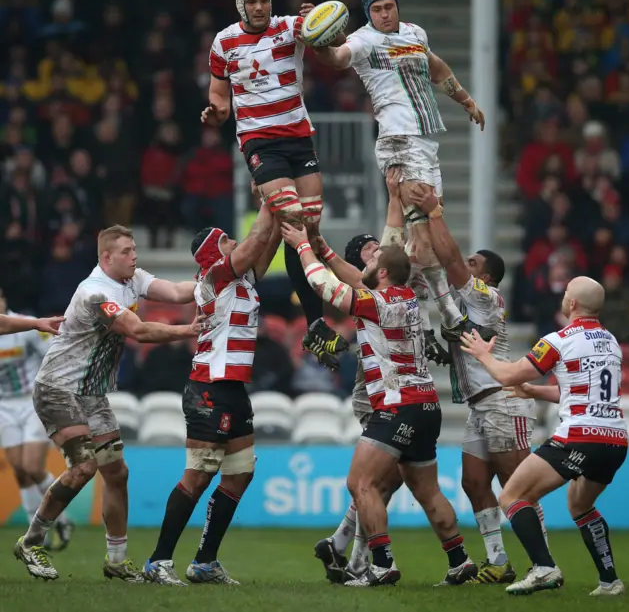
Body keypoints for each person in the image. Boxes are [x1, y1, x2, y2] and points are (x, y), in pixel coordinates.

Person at [281, 222, 477, 587]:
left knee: (361, 483)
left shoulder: (377, 303)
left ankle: (382, 564)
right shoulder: (406, 299)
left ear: (382, 273)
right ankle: (459, 560)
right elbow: (356, 277)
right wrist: (324, 250)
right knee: (427, 491)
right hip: (426, 406)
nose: (366, 267)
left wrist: (302, 248)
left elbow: (327, 288)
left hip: (396, 406)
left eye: (372, 264)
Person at [14, 225, 203, 582]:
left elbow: (179, 291)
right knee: (84, 468)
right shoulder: (95, 294)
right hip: (58, 387)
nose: (135, 256)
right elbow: (138, 330)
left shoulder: (132, 278)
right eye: (128, 251)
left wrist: (217, 281)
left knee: (116, 472)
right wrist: (188, 331)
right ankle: (32, 540)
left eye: (134, 249)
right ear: (107, 257)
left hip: (90, 393)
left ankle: (116, 560)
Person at [304, 0, 485, 343]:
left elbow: (436, 68)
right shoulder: (364, 40)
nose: (384, 14)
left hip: (426, 143)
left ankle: (418, 320)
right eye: (376, 9)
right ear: (368, 13)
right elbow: (336, 58)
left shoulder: (415, 33)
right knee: (421, 230)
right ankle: (448, 316)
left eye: (389, 7)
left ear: (397, 6)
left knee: (426, 241)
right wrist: (317, 38)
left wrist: (465, 99)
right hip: (397, 141)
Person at [200, 0, 348, 370]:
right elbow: (219, 96)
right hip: (259, 142)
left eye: (265, 0)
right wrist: (215, 112)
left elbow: (329, 44)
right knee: (292, 218)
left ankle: (314, 322)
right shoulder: (223, 43)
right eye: (253, 2)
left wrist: (325, 27)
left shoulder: (290, 27)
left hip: (300, 138)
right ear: (240, 6)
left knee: (311, 230)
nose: (260, 7)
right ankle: (314, 321)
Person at [408, 186, 545, 584]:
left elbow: (449, 257)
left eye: (473, 263)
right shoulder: (465, 306)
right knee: (473, 481)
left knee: (515, 486)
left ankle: (544, 562)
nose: (464, 264)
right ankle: (499, 561)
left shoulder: (487, 296)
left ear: (485, 276)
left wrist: (434, 213)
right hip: (479, 404)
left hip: (503, 401)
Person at [313, 168, 444, 582]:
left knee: (375, 481)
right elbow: (350, 275)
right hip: (377, 386)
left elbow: (393, 243)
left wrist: (395, 198)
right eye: (369, 249)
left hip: (396, 389)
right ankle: (354, 557)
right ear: (364, 266)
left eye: (377, 248)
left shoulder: (385, 286)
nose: (379, 249)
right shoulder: (370, 287)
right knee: (377, 481)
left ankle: (350, 555)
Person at [461, 276, 627, 597]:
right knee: (580, 504)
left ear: (573, 304)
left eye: (565, 294)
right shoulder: (611, 342)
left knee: (512, 496)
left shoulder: (560, 340)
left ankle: (544, 567)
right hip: (614, 440)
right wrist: (533, 391)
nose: (563, 298)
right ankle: (609, 581)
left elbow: (507, 373)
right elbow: (578, 390)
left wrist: (483, 354)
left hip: (578, 436)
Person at [144, 204, 281, 586]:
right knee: (199, 474)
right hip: (209, 387)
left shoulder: (242, 280)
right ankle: (158, 561)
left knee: (240, 474)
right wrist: (270, 198)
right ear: (212, 253)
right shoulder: (214, 276)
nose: (233, 241)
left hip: (233, 388)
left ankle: (204, 562)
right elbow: (256, 240)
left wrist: (280, 212)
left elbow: (266, 242)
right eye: (225, 239)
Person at [0, 290, 74, 551]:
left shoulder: (23, 326)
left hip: (31, 400)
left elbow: (50, 354)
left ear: (4, 301)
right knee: (19, 469)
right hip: (4, 406)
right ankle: (36, 532)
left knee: (32, 466)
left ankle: (61, 519)